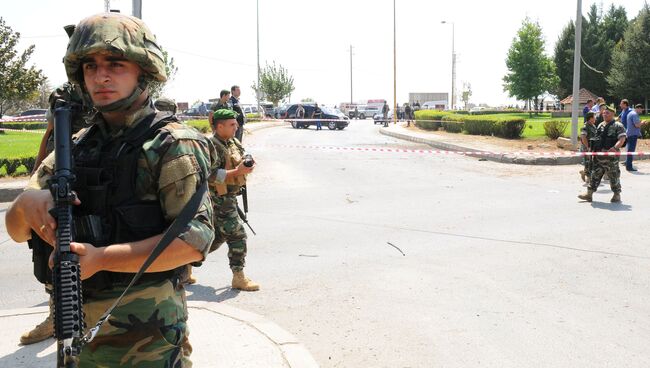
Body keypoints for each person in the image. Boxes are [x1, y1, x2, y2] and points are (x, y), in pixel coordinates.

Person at [6, 13, 216, 366]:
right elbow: (15, 231)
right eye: (90, 66)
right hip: (76, 332)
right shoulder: (76, 145)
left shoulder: (171, 144)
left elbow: (193, 242)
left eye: (115, 64)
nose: (100, 76)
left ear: (143, 71)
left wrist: (101, 258)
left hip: (147, 341)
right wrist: (27, 205)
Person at [21, 82, 90, 346]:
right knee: (50, 246)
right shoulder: (64, 93)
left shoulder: (108, 88)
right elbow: (50, 132)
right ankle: (54, 317)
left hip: (91, 173)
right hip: (57, 171)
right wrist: (37, 172)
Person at [209, 109, 260, 291]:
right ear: (219, 126)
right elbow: (210, 175)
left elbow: (242, 157)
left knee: (216, 236)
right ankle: (238, 277)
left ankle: (185, 263)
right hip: (218, 198)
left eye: (236, 123)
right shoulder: (211, 145)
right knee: (237, 235)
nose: (236, 127)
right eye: (232, 124)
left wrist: (248, 163)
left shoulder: (232, 141)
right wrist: (237, 172)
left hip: (230, 196)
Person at [578, 105, 626, 203]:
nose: (604, 114)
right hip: (598, 156)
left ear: (613, 114)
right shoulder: (600, 125)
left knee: (613, 176)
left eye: (607, 113)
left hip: (611, 157)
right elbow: (597, 138)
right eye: (604, 113)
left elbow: (622, 139)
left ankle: (617, 195)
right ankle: (589, 194)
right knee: (594, 175)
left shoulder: (618, 125)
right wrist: (591, 148)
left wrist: (615, 148)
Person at [624, 104, 648, 172]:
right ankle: (629, 167)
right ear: (638, 108)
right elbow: (637, 125)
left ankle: (628, 164)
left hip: (630, 134)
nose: (642, 111)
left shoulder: (630, 113)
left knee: (629, 150)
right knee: (631, 151)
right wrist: (642, 123)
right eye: (641, 109)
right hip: (632, 135)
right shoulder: (634, 114)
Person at [579, 112, 598, 183]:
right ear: (590, 118)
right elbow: (583, 137)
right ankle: (589, 178)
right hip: (587, 147)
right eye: (594, 117)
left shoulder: (593, 126)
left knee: (590, 162)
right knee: (589, 162)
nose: (595, 118)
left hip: (592, 147)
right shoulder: (585, 126)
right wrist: (588, 147)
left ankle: (584, 173)